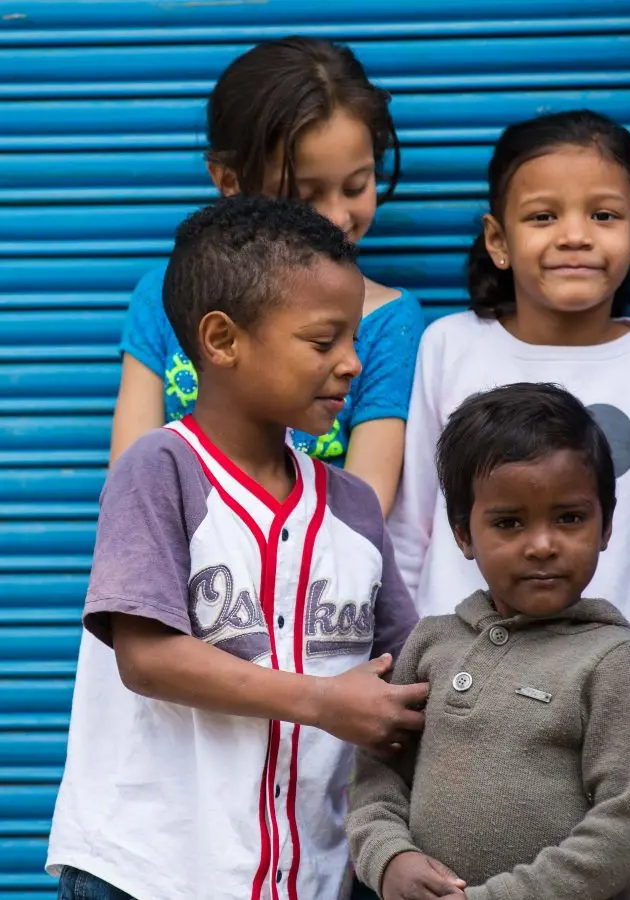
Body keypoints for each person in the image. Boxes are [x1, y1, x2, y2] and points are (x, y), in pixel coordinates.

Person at [46, 196, 427, 900]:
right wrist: (322, 701)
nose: (350, 364)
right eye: (323, 342)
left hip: (309, 877)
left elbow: (402, 674)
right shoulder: (158, 471)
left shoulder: (350, 507)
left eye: (354, 340)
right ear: (222, 340)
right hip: (149, 874)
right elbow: (147, 657)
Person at [387, 109, 630, 891]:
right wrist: (393, 675)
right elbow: (409, 528)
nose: (572, 235)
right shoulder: (450, 347)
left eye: (601, 215)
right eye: (542, 216)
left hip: (589, 698)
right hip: (451, 687)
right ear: (497, 240)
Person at [348, 383, 630, 900]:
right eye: (509, 523)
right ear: (463, 534)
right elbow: (378, 773)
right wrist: (390, 857)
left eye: (570, 518)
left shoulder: (618, 662)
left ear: (607, 525)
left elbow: (629, 829)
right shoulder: (432, 643)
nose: (542, 545)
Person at [112, 36, 425, 515]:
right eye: (306, 194)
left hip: (316, 575)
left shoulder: (388, 321)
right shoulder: (164, 298)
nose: (337, 216)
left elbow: (367, 508)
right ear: (229, 181)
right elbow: (131, 483)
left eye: (357, 185)